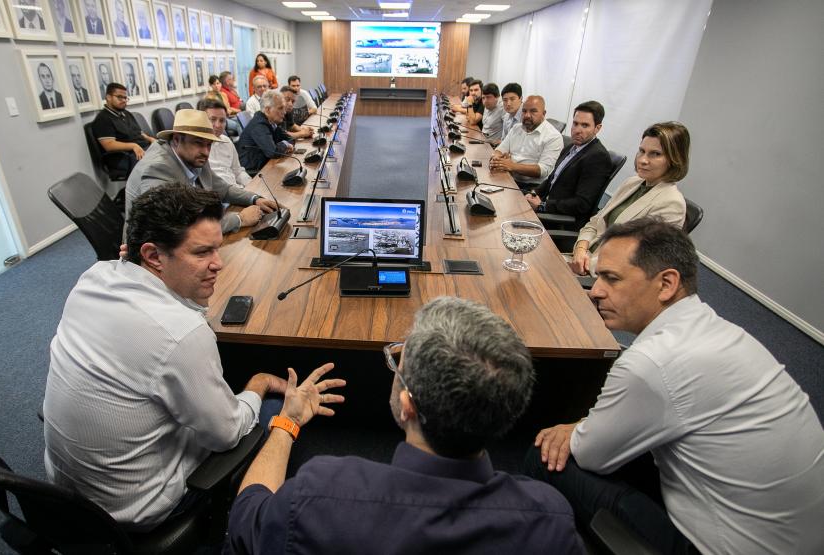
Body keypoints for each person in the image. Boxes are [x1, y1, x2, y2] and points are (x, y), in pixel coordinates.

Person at [524, 219, 824, 554]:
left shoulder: (652, 362)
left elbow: (591, 456)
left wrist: (574, 430)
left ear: (667, 284)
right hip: (796, 536)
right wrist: (583, 426)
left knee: (544, 454)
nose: (595, 289)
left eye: (611, 278)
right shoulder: (722, 331)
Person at [226, 296, 584, 554]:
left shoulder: (318, 493)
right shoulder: (549, 520)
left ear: (407, 404)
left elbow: (246, 520)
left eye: (400, 362)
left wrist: (287, 422)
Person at [44, 183, 297, 531]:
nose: (218, 265)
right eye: (202, 253)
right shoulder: (180, 335)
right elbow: (227, 434)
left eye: (217, 250)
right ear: (152, 255)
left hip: (69, 493)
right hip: (135, 510)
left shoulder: (93, 277)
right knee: (270, 411)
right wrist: (259, 382)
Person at [125, 109, 275, 234]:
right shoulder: (158, 168)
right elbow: (178, 226)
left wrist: (255, 198)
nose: (206, 151)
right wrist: (240, 219)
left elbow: (223, 189)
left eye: (209, 145)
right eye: (198, 143)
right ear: (176, 139)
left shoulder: (194, 156)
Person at [569, 121, 689, 276]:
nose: (643, 160)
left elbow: (637, 260)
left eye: (655, 154)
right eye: (642, 151)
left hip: (603, 276)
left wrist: (586, 266)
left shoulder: (672, 204)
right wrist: (580, 249)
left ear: (674, 159)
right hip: (582, 258)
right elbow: (595, 222)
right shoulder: (632, 183)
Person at [526, 101, 613, 231]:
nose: (578, 130)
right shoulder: (571, 147)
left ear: (597, 128)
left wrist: (543, 206)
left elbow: (582, 204)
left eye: (585, 125)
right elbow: (552, 179)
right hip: (546, 211)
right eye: (575, 123)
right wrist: (534, 193)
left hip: (560, 222)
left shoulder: (597, 157)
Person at [489, 95, 562, 188]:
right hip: (510, 178)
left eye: (533, 111)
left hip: (533, 187)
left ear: (544, 113)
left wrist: (512, 166)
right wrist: (496, 158)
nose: (527, 115)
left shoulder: (553, 136)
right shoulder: (516, 128)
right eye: (524, 111)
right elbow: (500, 149)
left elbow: (543, 170)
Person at [92, 82, 154, 175]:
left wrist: (150, 139)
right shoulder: (103, 119)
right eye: (120, 97)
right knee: (158, 164)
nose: (124, 100)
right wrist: (133, 146)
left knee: (169, 152)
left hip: (141, 148)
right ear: (108, 97)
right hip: (124, 156)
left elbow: (139, 133)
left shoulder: (126, 113)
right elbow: (109, 145)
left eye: (125, 98)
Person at [196, 98, 251, 189]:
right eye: (212, 119)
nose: (218, 125)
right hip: (219, 196)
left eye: (222, 121)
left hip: (238, 190)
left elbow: (238, 171)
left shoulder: (227, 141)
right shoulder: (195, 148)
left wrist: (252, 184)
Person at [236, 90, 294, 175]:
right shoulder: (259, 125)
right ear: (267, 110)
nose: (284, 112)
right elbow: (273, 152)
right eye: (280, 108)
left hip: (266, 164)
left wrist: (285, 144)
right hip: (254, 172)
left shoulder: (271, 121)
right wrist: (285, 144)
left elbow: (289, 138)